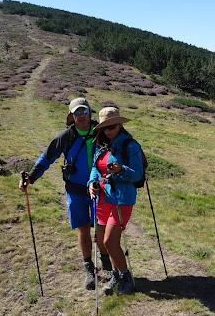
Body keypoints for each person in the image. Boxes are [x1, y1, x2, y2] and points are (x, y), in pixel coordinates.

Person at [19, 98, 113, 290]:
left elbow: (122, 144)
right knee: (83, 229)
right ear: (71, 116)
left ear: (89, 112)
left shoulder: (101, 131)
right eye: (76, 113)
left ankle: (107, 264)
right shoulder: (65, 136)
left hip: (100, 189)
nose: (81, 116)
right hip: (76, 190)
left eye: (84, 111)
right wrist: (31, 177)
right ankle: (89, 268)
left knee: (102, 230)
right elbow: (46, 158)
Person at [88, 107, 144, 296]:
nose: (109, 130)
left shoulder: (131, 146)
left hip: (122, 199)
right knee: (105, 243)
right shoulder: (101, 145)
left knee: (110, 242)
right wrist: (92, 183)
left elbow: (137, 174)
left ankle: (126, 278)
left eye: (112, 126)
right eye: (105, 127)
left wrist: (121, 170)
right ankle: (117, 275)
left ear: (120, 124)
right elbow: (95, 170)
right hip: (103, 198)